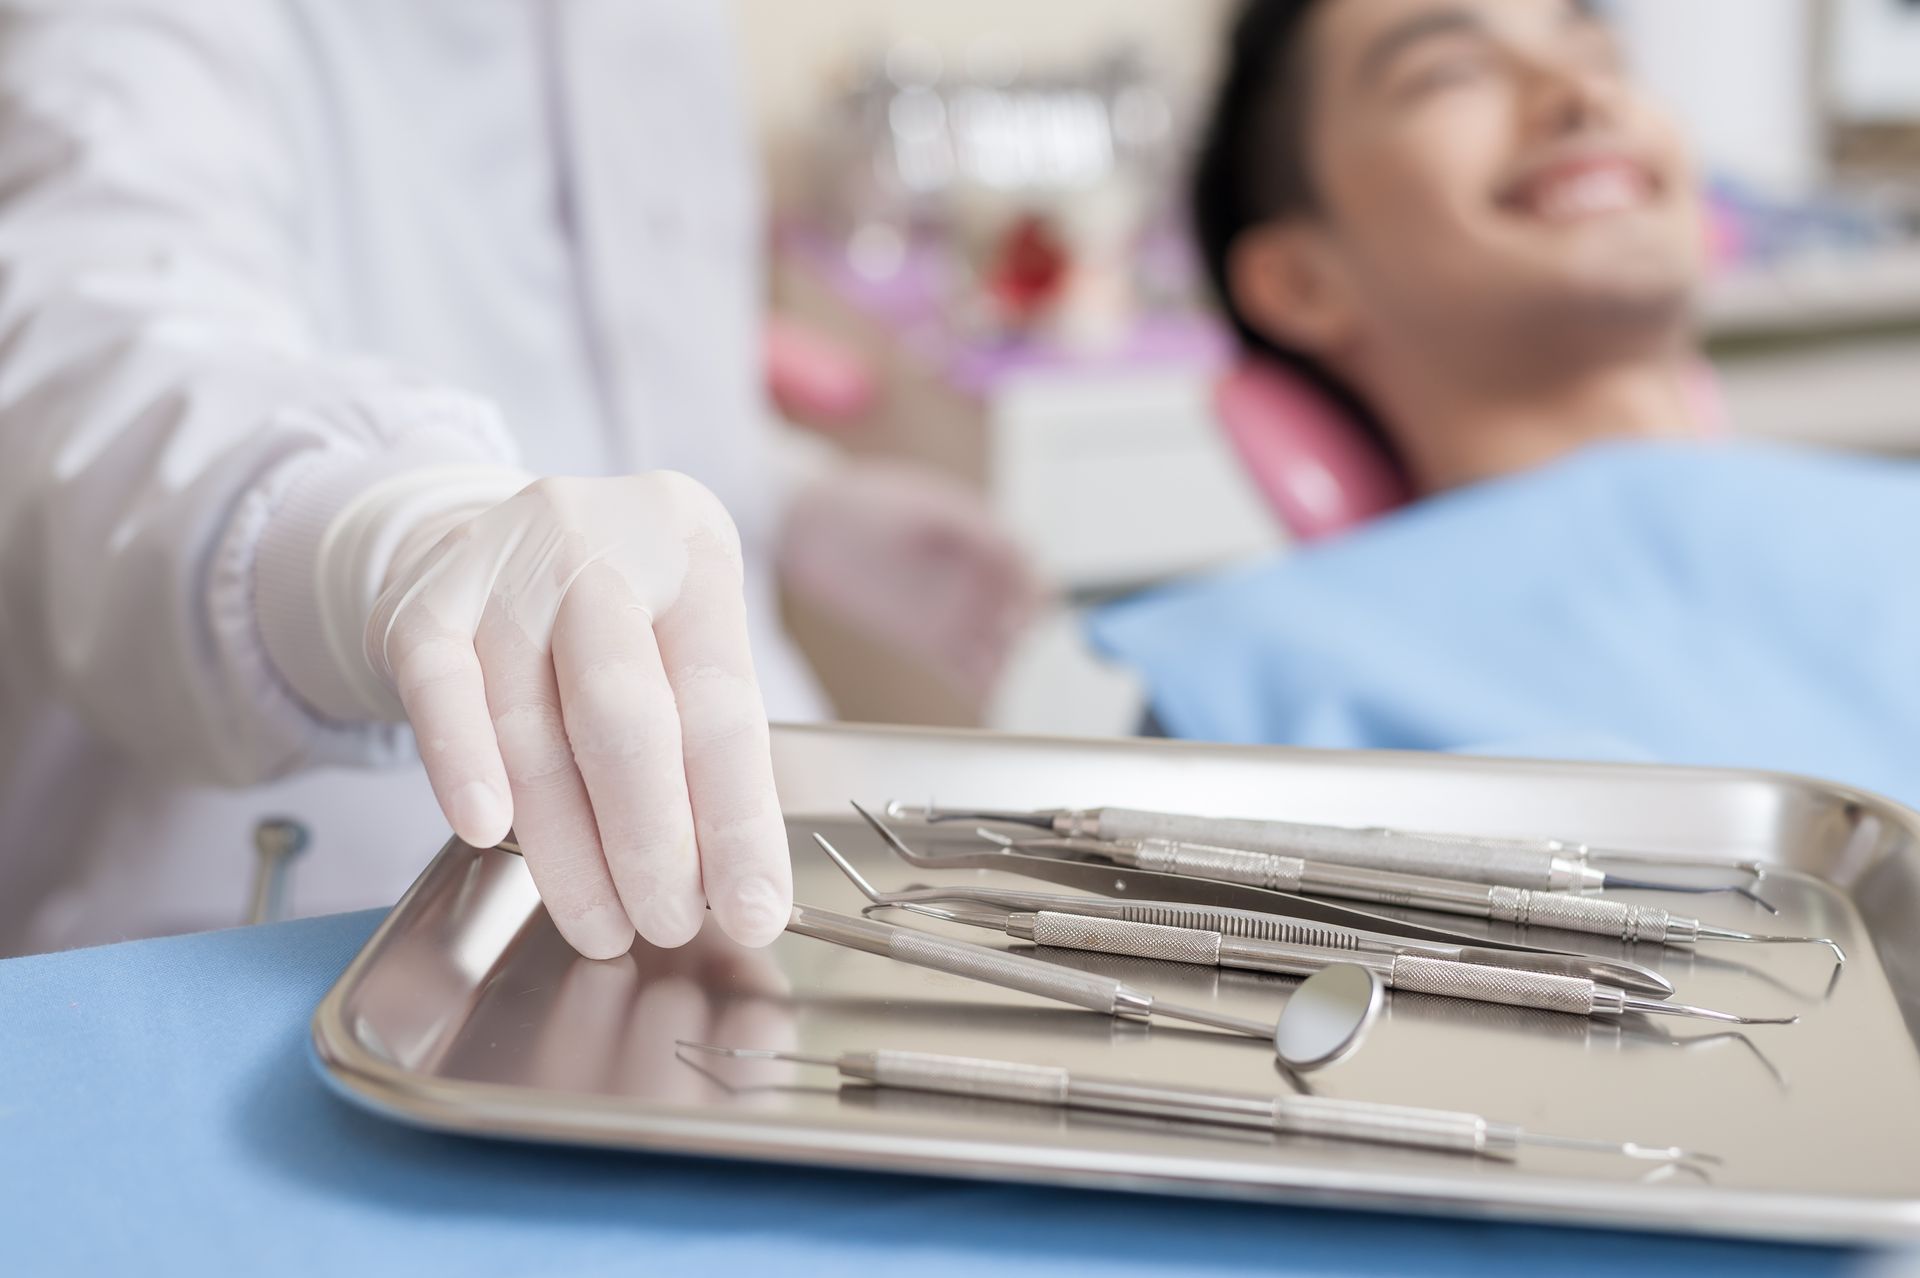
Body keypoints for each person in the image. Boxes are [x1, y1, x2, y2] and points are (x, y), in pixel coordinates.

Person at [0, 1, 1035, 957]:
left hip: (713, 858)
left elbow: (599, 356)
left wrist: (787, 497)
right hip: (301, 897)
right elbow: (109, 364)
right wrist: (398, 535)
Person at [1092, 0, 1920, 805]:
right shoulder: (1254, 692)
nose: (1583, 95)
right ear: (1302, 281)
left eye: (1598, 54)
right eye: (1450, 72)